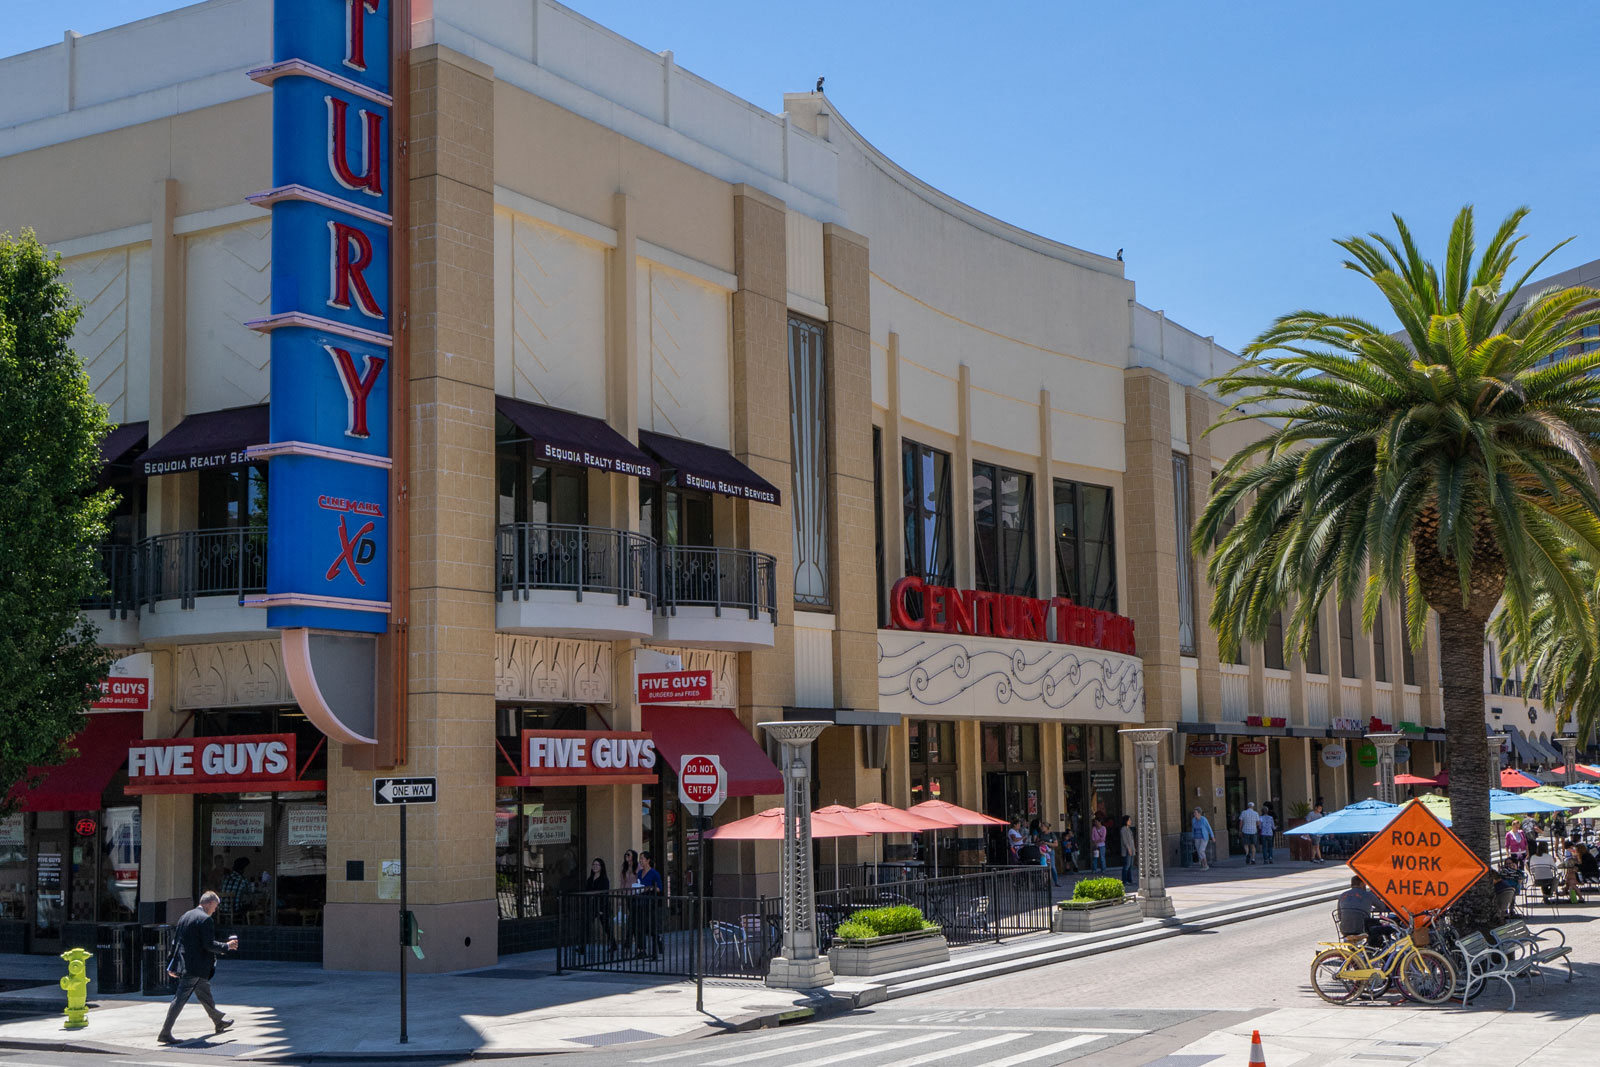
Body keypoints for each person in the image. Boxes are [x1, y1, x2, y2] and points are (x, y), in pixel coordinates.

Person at [158, 890, 238, 1044]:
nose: (215, 910)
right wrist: (227, 946)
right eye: (215, 906)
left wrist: (171, 963)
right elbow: (208, 944)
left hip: (187, 965)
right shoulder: (205, 920)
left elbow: (176, 941)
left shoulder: (185, 916)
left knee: (204, 994)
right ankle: (165, 1033)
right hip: (196, 967)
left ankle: (218, 1021)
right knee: (180, 999)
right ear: (208, 903)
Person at [1336, 875, 1388, 949]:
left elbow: (1340, 916)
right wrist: (1372, 910)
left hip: (1345, 929)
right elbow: (1382, 907)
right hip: (1361, 928)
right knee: (1377, 928)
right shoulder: (1368, 895)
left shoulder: (1342, 895)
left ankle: (1353, 952)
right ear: (1361, 884)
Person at [579, 858, 617, 956]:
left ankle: (613, 944)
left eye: (597, 865)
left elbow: (605, 895)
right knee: (586, 925)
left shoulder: (604, 880)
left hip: (601, 906)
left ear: (601, 867)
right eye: (593, 864)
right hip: (591, 907)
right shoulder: (590, 879)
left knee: (606, 927)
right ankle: (582, 947)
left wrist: (601, 909)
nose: (595, 866)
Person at [633, 850, 664, 959]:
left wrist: (649, 888)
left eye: (642, 859)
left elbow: (660, 888)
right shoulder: (639, 873)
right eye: (640, 859)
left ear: (648, 860)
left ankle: (656, 946)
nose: (640, 861)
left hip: (650, 902)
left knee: (651, 926)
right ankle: (641, 949)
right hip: (640, 901)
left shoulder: (654, 873)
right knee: (640, 926)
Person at [220, 858, 253, 923]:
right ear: (243, 869)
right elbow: (249, 895)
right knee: (251, 906)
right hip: (235, 909)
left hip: (221, 909)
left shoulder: (225, 878)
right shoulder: (243, 880)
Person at [1119, 815, 1136, 886]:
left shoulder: (1128, 829)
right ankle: (1124, 880)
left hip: (1131, 849)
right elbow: (1125, 840)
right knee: (1127, 865)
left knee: (1130, 866)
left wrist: (1134, 848)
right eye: (1129, 820)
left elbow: (1131, 840)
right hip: (1127, 850)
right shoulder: (1123, 829)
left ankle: (1130, 880)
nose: (1130, 821)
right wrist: (1128, 848)